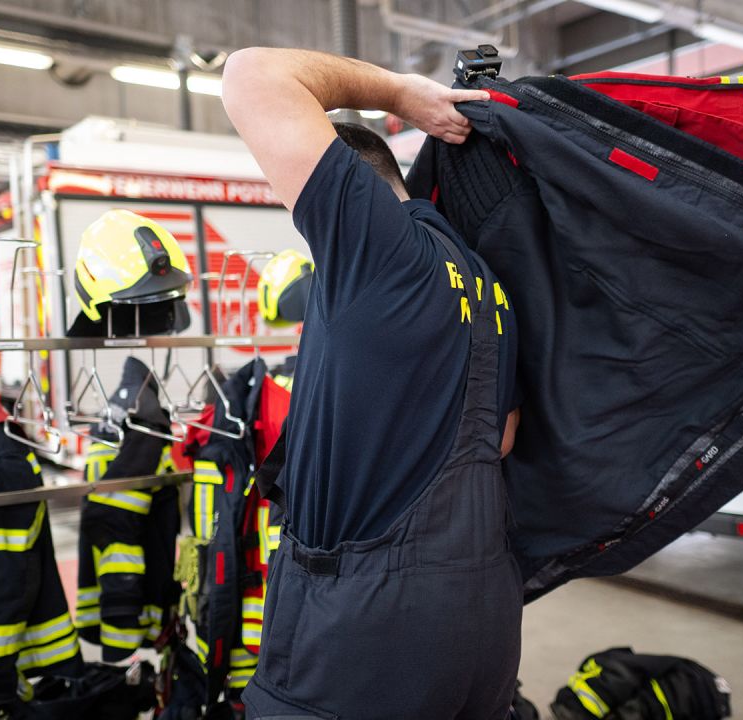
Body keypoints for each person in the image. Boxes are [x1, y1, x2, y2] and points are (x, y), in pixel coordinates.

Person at [222, 47, 523, 719]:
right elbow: (500, 439)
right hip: (483, 620)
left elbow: (251, 73)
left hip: (365, 631)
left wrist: (398, 94)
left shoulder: (375, 243)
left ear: (353, 183)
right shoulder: (486, 283)